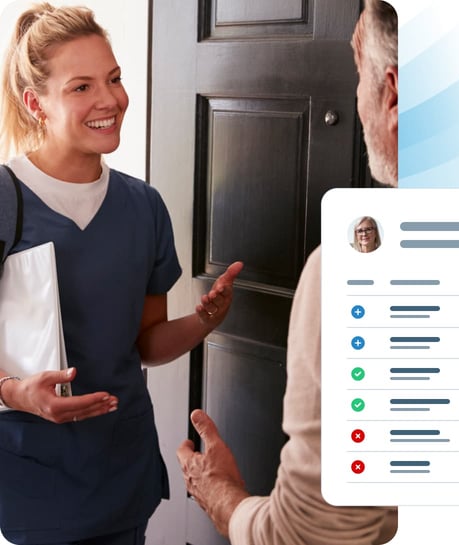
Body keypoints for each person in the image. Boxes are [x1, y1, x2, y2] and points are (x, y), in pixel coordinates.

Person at [0, 3, 242, 544]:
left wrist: (203, 321)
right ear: (35, 102)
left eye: (113, 79)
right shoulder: (4, 197)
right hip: (37, 476)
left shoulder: (144, 206)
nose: (109, 100)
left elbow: (147, 344)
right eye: (81, 87)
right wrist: (16, 393)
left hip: (121, 468)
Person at [177, 1, 398, 544]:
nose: (352, 99)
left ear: (392, 94)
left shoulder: (359, 270)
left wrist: (221, 494)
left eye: (356, 69)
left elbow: (311, 535)